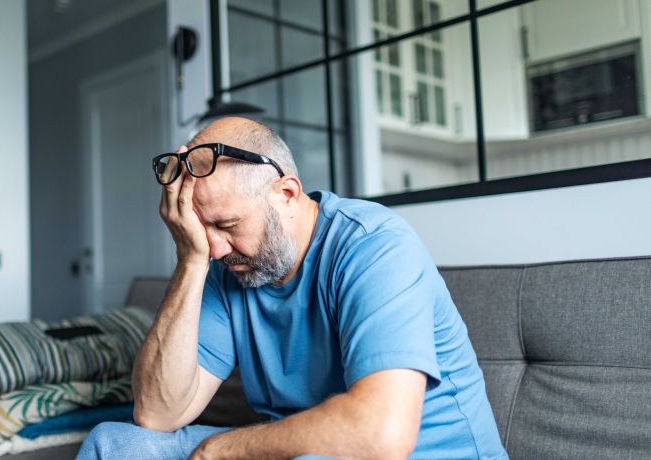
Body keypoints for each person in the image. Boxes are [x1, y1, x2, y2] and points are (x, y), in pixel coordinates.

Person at [76, 117, 507, 459]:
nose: (216, 247)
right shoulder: (224, 265)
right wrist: (190, 259)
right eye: (198, 230)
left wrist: (220, 451)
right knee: (115, 445)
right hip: (299, 450)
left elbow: (382, 434)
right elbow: (156, 413)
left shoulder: (373, 246)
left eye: (227, 225)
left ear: (286, 193)